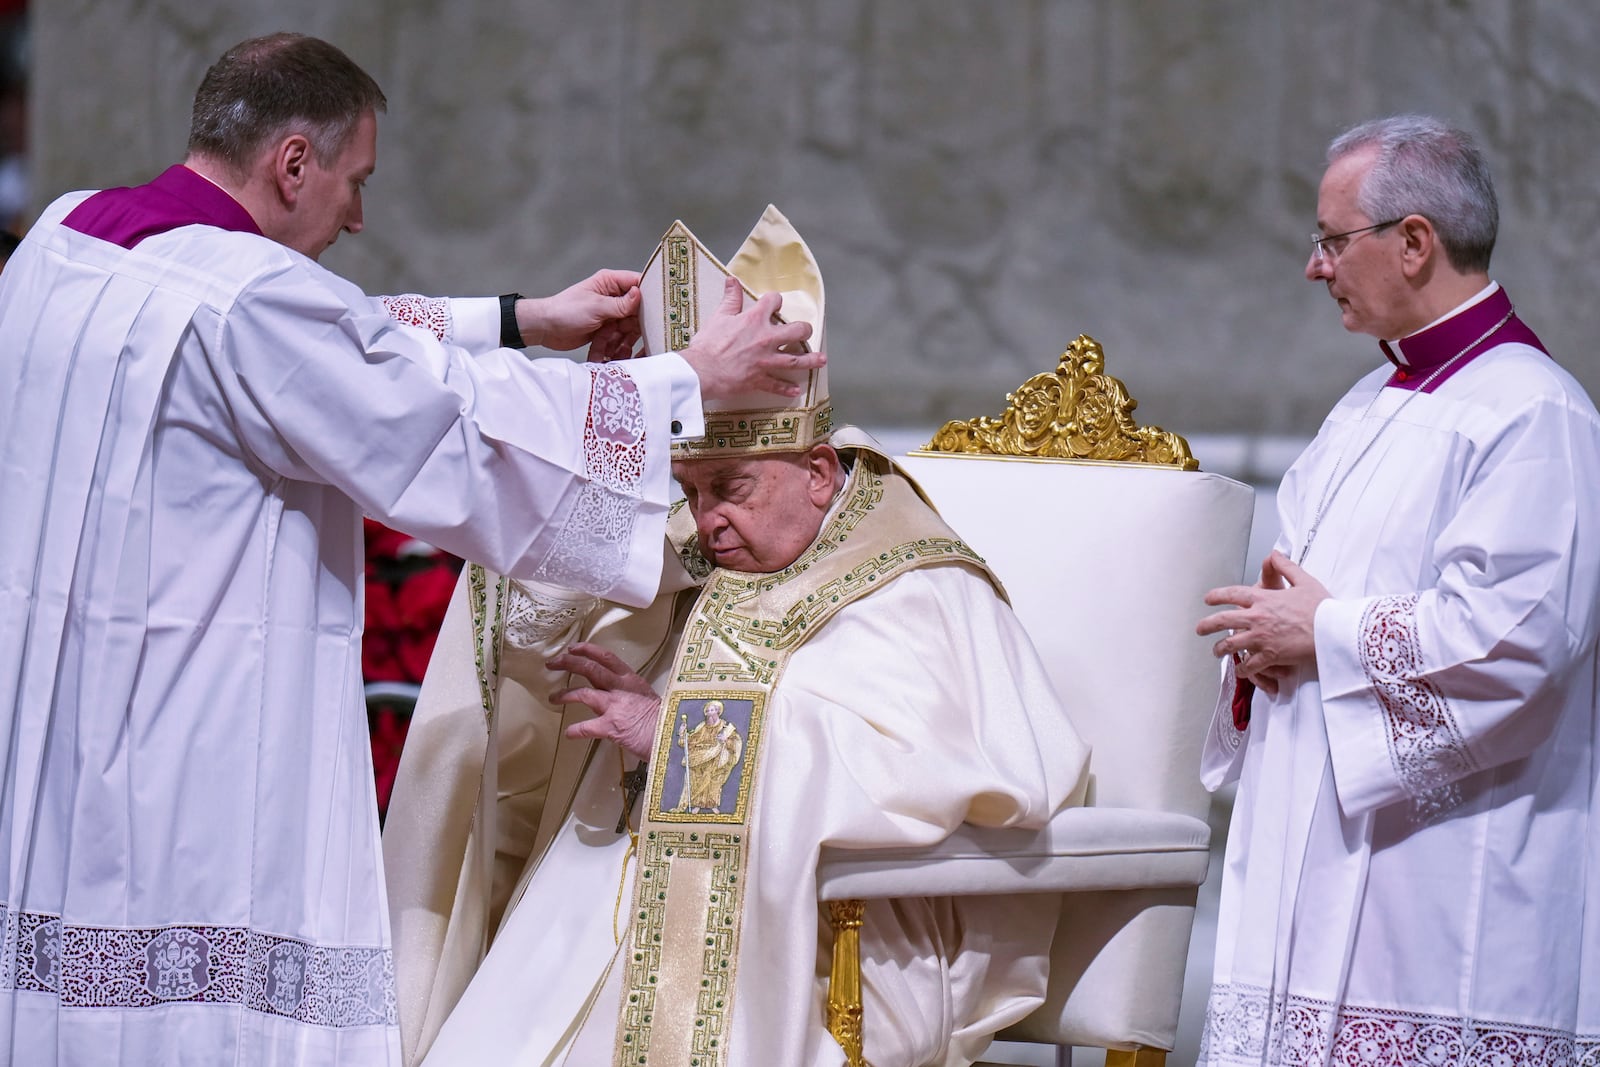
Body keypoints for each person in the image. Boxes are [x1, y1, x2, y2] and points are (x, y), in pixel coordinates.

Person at [0, 33, 820, 1067]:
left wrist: (524, 320)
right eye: (355, 181)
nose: (357, 215)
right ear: (293, 163)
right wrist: (685, 381)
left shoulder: (70, 233)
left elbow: (339, 341)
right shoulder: (253, 298)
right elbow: (437, 426)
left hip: (61, 699)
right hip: (182, 715)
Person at [382, 206, 1090, 1067]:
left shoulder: (915, 578)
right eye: (690, 487)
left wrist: (675, 735)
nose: (708, 518)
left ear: (819, 470)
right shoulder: (696, 559)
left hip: (828, 936)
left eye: (734, 486)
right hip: (611, 909)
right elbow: (522, 611)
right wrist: (622, 413)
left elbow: (966, 773)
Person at [1195, 115, 1600, 1065]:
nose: (1315, 267)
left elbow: (1521, 636)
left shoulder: (1533, 412)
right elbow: (1307, 597)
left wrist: (1324, 631)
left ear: (1413, 242)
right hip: (1324, 839)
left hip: (1446, 875)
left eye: (1332, 240)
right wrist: (1267, 641)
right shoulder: (1367, 407)